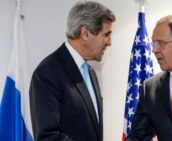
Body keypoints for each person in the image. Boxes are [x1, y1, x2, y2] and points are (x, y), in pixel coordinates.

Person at [29, 1, 115, 141]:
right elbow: (48, 137)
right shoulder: (47, 73)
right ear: (85, 33)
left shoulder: (91, 72)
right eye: (106, 35)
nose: (109, 42)